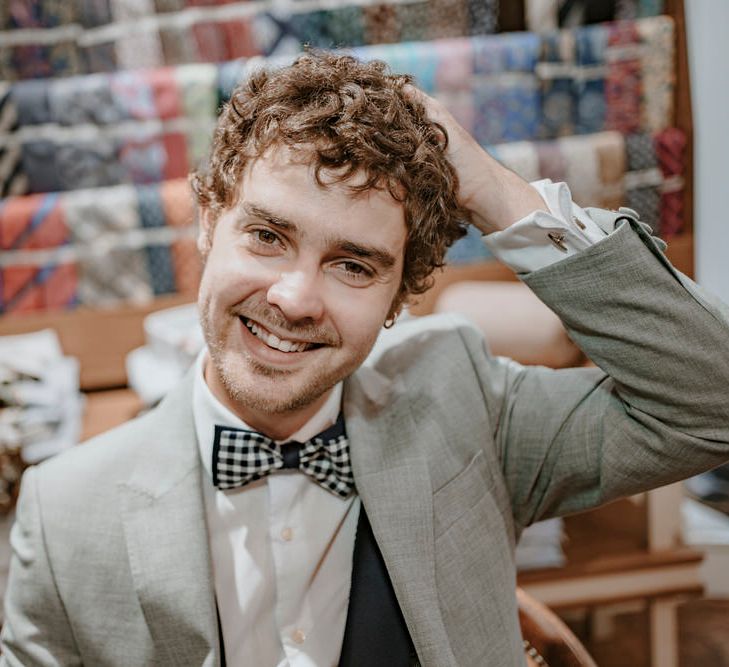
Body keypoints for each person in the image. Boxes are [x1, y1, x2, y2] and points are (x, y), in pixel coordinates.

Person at [2, 51, 729, 667]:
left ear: (398, 295)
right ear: (208, 221)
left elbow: (709, 398)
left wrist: (494, 191)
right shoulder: (65, 517)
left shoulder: (464, 405)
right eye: (266, 235)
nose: (293, 297)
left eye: (353, 265)